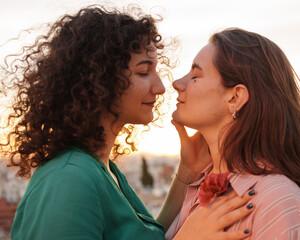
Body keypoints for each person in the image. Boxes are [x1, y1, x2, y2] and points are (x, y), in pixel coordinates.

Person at [0, 6, 255, 240]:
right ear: (98, 81)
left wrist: (185, 174)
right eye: (143, 72)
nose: (160, 87)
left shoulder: (105, 171)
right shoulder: (69, 178)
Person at [167, 28, 300, 239]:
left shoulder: (279, 203)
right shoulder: (197, 188)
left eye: (195, 75)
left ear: (235, 97)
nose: (177, 84)